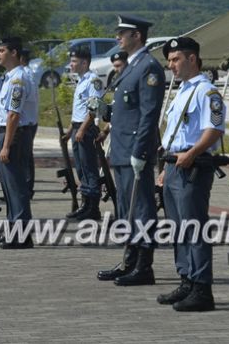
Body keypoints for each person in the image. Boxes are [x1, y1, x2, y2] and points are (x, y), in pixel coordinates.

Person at [156, 37, 225, 312]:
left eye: (175, 59)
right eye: (169, 60)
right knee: (178, 227)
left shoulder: (207, 92)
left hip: (192, 166)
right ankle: (186, 279)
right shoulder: (183, 90)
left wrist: (193, 153)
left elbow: (215, 129)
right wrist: (164, 170)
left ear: (192, 59)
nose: (171, 65)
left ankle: (201, 288)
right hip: (174, 164)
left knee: (193, 227)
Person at [97, 15, 165, 286]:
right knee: (126, 208)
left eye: (122, 33)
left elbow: (149, 114)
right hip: (122, 148)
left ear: (137, 35)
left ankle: (144, 265)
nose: (117, 37)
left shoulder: (148, 67)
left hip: (135, 149)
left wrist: (141, 149)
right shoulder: (130, 67)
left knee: (142, 207)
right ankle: (129, 259)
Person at [0, 37, 33, 249]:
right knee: (8, 187)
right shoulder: (9, 78)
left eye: (2, 50)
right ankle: (12, 229)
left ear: (14, 53)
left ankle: (22, 235)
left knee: (16, 186)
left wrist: (6, 145)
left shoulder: (18, 80)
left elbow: (14, 115)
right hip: (6, 133)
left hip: (14, 135)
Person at [64, 45, 105, 221]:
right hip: (78, 127)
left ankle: (92, 206)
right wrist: (70, 130)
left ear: (84, 62)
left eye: (74, 61)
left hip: (86, 129)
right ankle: (85, 203)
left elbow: (93, 108)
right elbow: (79, 110)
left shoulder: (93, 80)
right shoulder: (81, 80)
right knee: (80, 167)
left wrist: (81, 129)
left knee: (89, 168)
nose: (70, 64)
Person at [19, 47, 39, 199]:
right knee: (23, 156)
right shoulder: (26, 73)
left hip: (27, 121)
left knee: (25, 156)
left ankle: (26, 187)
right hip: (27, 120)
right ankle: (24, 186)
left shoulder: (25, 74)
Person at [97, 50, 128, 143]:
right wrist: (105, 131)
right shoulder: (118, 84)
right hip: (117, 132)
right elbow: (116, 111)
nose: (115, 69)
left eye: (118, 66)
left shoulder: (132, 85)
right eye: (114, 66)